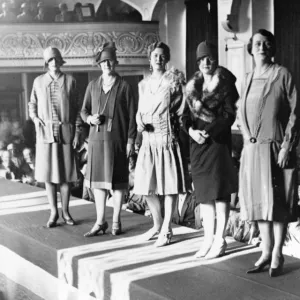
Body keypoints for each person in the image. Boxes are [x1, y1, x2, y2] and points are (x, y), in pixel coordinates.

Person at [237, 29, 300, 277]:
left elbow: (296, 112)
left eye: (266, 43)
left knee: (279, 203)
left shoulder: (282, 74)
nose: (261, 47)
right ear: (251, 49)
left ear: (272, 48)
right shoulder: (246, 79)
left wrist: (287, 145)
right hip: (252, 150)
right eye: (257, 43)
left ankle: (277, 255)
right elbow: (242, 114)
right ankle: (265, 250)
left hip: (276, 149)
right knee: (258, 203)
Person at [182, 41, 239, 259]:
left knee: (220, 193)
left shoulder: (226, 83)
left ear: (215, 60)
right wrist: (191, 132)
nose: (205, 62)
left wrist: (211, 131)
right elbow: (184, 117)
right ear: (197, 62)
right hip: (197, 145)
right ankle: (207, 239)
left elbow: (229, 114)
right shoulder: (191, 87)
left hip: (217, 143)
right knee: (205, 194)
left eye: (209, 58)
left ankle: (220, 239)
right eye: (201, 59)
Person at [81, 42, 137, 237]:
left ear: (116, 62)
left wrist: (131, 141)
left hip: (117, 140)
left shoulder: (124, 87)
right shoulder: (92, 86)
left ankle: (116, 221)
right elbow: (83, 110)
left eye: (110, 61)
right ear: (99, 64)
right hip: (96, 140)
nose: (106, 64)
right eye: (103, 61)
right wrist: (89, 119)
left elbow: (132, 116)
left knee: (118, 181)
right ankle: (100, 221)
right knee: (98, 183)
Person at [133, 41, 186, 247]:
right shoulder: (143, 84)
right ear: (149, 58)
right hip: (147, 140)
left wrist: (171, 122)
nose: (158, 58)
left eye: (162, 55)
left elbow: (181, 109)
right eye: (155, 55)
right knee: (146, 186)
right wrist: (139, 121)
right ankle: (156, 225)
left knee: (169, 185)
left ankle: (167, 228)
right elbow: (139, 110)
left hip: (165, 137)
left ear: (167, 58)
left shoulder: (173, 82)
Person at [29, 47, 82, 228]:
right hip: (45, 134)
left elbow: (77, 109)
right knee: (49, 175)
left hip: (66, 133)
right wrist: (35, 118)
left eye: (56, 59)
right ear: (46, 63)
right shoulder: (38, 82)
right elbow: (32, 104)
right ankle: (53, 212)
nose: (53, 63)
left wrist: (77, 131)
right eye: (50, 60)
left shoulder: (70, 81)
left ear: (60, 61)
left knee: (66, 175)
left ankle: (66, 211)